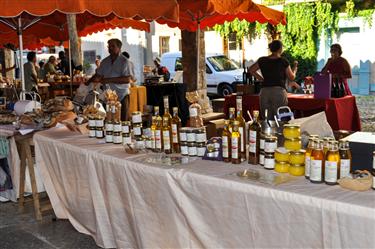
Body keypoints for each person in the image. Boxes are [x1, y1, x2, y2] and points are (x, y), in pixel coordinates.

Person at [86, 38, 134, 120]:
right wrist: (87, 82)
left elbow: (127, 79)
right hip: (108, 97)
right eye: (109, 46)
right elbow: (98, 75)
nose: (110, 48)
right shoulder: (105, 61)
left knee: (122, 120)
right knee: (109, 120)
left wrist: (107, 80)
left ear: (119, 48)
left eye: (113, 46)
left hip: (121, 96)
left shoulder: (125, 62)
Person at [249, 40, 298, 119]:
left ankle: (267, 131)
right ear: (280, 49)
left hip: (264, 92)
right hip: (278, 92)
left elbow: (251, 70)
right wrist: (295, 67)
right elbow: (291, 77)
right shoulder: (283, 61)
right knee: (281, 118)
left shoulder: (262, 60)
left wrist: (261, 79)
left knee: (266, 119)